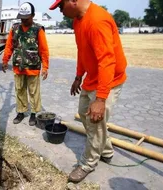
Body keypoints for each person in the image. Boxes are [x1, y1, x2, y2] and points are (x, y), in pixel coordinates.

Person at [49, 0, 127, 183]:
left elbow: (107, 61)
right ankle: (106, 150)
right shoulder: (77, 21)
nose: (60, 11)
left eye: (60, 6)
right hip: (92, 77)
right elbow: (82, 51)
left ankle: (87, 163)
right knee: (85, 115)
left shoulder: (98, 20)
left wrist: (100, 99)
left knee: (94, 120)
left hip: (109, 80)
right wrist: (78, 76)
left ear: (73, 1)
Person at [2, 2, 49, 126]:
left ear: (33, 15)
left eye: (26, 19)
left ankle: (33, 113)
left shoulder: (38, 30)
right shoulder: (15, 28)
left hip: (33, 67)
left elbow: (44, 50)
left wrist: (45, 67)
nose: (24, 21)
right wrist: (5, 60)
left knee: (34, 92)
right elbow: (9, 46)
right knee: (19, 90)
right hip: (18, 67)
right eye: (22, 18)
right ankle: (21, 112)